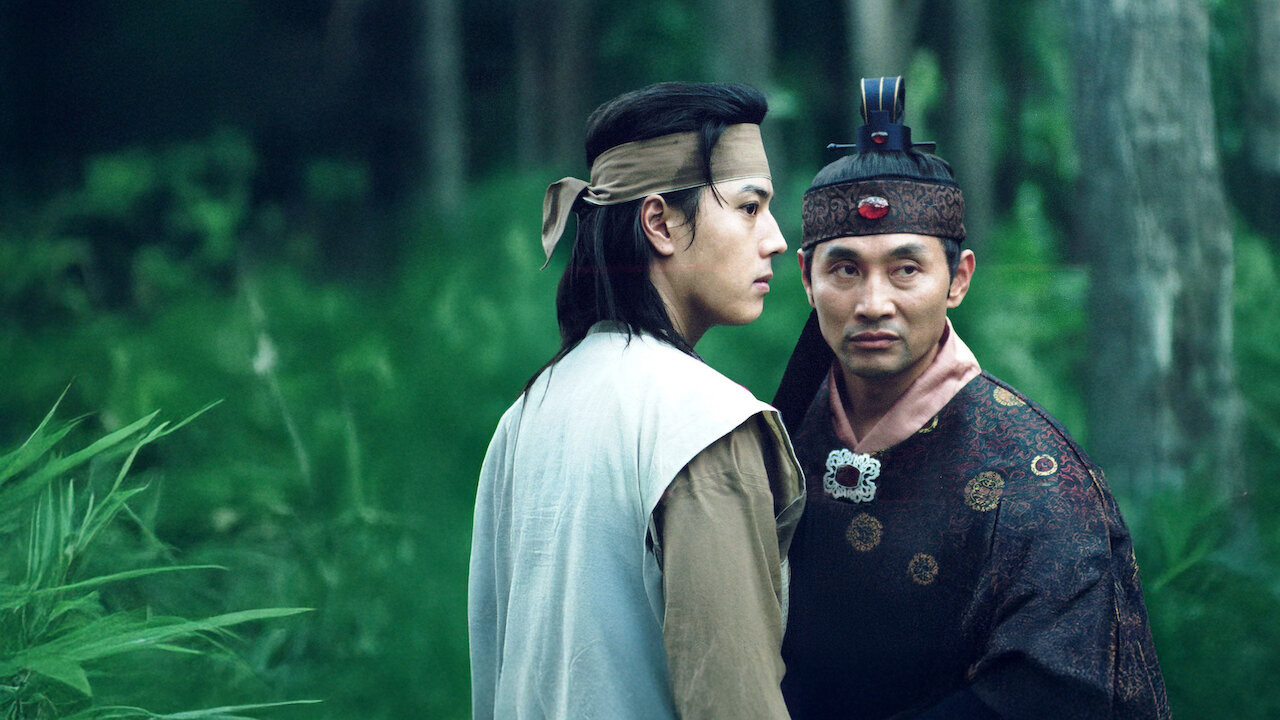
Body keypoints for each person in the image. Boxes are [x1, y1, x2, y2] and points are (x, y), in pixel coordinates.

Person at [773, 76, 1170, 720]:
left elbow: (1052, 693)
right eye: (845, 269)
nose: (873, 304)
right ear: (805, 278)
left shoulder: (1036, 474)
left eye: (906, 269)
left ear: (958, 279)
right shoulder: (778, 440)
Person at [469, 82, 805, 720]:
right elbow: (734, 703)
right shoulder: (704, 425)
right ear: (659, 223)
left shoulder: (527, 413)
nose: (776, 239)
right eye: (749, 207)